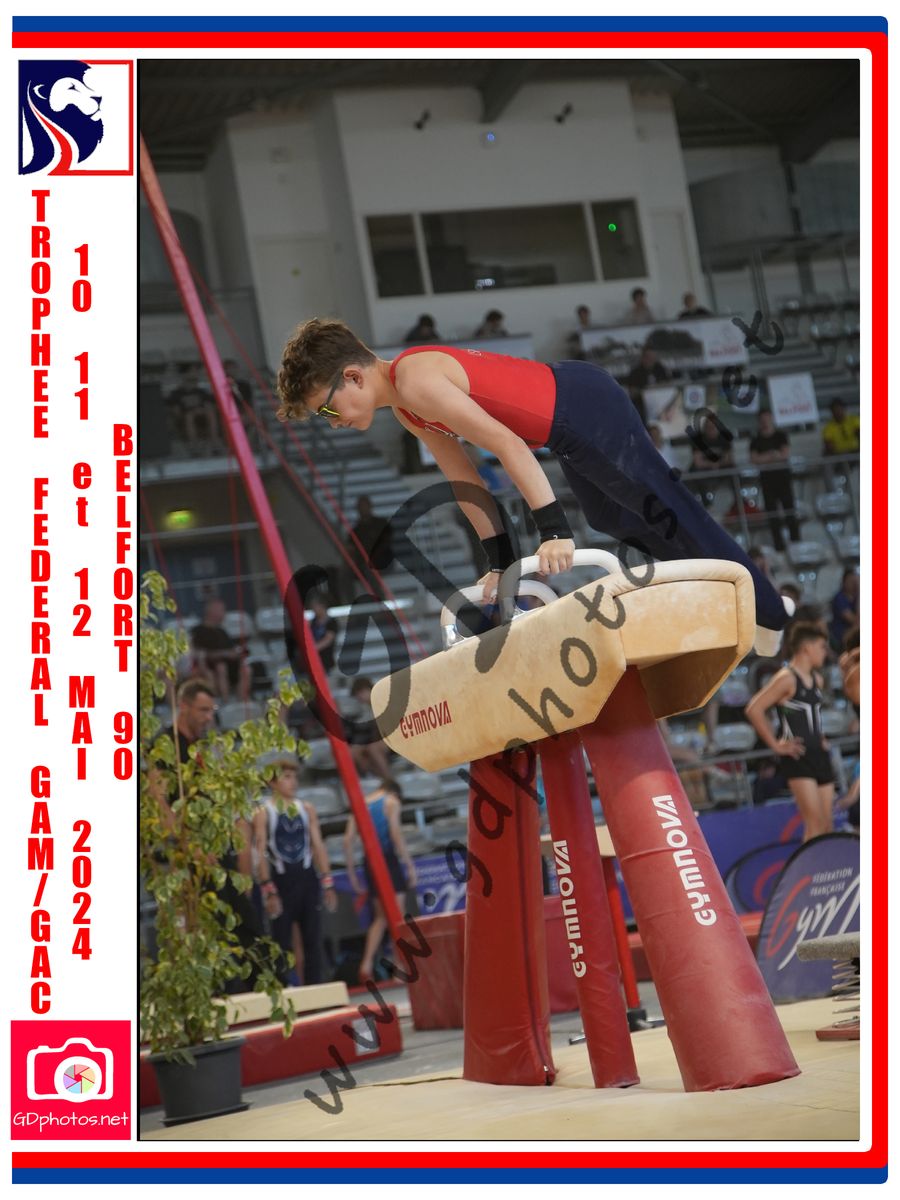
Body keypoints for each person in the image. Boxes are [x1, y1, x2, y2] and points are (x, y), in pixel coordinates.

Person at [276, 319, 792, 653]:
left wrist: (554, 531)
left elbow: (506, 444)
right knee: (610, 516)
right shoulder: (409, 409)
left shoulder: (416, 380)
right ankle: (723, 594)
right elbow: (465, 480)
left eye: (327, 409)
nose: (332, 422)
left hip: (584, 408)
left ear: (353, 377)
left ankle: (769, 612)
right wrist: (500, 561)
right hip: (567, 421)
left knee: (666, 507)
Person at [744, 623, 835, 842]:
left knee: (827, 825)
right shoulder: (786, 678)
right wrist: (775, 745)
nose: (825, 652)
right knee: (814, 826)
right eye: (822, 647)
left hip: (819, 754)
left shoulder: (817, 679)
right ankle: (811, 865)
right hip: (798, 755)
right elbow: (754, 709)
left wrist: (821, 737)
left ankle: (826, 864)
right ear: (807, 648)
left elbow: (813, 714)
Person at [253, 757, 337, 985]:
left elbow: (317, 845)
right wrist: (267, 887)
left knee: (313, 938)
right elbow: (260, 850)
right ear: (272, 783)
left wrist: (327, 880)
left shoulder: (306, 808)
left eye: (295, 777)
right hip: (282, 880)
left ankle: (316, 985)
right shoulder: (264, 812)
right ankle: (282, 987)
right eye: (287, 777)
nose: (293, 782)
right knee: (281, 940)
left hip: (307, 878)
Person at [343, 779, 417, 982]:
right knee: (397, 915)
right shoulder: (391, 802)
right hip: (388, 859)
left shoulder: (361, 804)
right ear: (395, 792)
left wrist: (352, 873)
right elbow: (395, 833)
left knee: (380, 917)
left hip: (370, 862)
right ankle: (399, 965)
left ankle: (366, 962)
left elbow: (347, 840)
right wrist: (409, 864)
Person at [749, 408, 801, 552]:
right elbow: (754, 459)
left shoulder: (780, 436)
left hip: (783, 477)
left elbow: (784, 454)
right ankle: (779, 545)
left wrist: (766, 458)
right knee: (772, 513)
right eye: (762, 420)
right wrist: (772, 455)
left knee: (789, 509)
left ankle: (796, 540)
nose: (765, 422)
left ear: (771, 419)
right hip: (767, 480)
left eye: (767, 418)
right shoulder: (756, 440)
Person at [191, 597, 251, 701]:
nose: (224, 613)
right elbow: (200, 653)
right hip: (209, 665)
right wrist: (224, 654)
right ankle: (225, 701)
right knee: (221, 667)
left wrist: (236, 653)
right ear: (212, 612)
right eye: (222, 610)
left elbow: (231, 649)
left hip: (230, 664)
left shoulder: (222, 631)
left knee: (246, 669)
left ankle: (242, 701)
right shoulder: (198, 631)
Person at [343, 676, 394, 783]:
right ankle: (374, 777)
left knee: (373, 748)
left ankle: (389, 779)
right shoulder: (367, 709)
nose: (359, 697)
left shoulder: (383, 701)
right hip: (379, 738)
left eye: (360, 693)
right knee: (353, 751)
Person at [345, 494, 394, 597]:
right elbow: (350, 549)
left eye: (365, 505)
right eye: (360, 506)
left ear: (370, 506)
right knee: (344, 572)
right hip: (362, 563)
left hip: (382, 561)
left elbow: (387, 542)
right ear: (357, 509)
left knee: (370, 569)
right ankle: (348, 601)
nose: (363, 508)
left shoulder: (381, 523)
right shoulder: (355, 530)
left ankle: (381, 598)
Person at [626, 347, 671, 424]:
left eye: (653, 358)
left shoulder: (660, 369)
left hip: (661, 403)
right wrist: (645, 391)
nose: (651, 360)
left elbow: (668, 383)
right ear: (643, 358)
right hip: (642, 404)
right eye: (649, 357)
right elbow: (632, 391)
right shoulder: (635, 372)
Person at [829, 569, 860, 653]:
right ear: (843, 582)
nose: (853, 584)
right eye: (850, 581)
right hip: (841, 636)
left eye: (855, 581)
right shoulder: (839, 598)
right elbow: (855, 621)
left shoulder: (856, 597)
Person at [309, 593, 339, 673]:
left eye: (315, 607)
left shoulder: (331, 622)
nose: (313, 609)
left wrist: (312, 649)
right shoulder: (313, 622)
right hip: (314, 660)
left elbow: (328, 640)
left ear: (322, 606)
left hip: (326, 660)